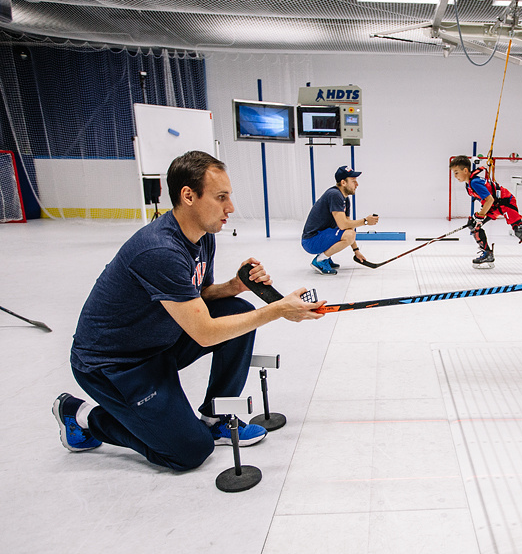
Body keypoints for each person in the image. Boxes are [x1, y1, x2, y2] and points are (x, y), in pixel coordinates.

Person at [53, 150, 325, 471]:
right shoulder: (160, 250)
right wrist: (278, 309)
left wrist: (233, 287)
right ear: (189, 196)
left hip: (159, 342)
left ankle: (215, 417)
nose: (231, 207)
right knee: (190, 452)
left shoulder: (201, 236)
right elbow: (204, 333)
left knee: (235, 309)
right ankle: (81, 416)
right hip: (115, 364)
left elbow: (200, 294)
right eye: (221, 197)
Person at [449, 155, 522, 276]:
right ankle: (487, 254)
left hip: (505, 203)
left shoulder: (474, 183)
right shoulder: (468, 186)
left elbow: (489, 200)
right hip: (494, 205)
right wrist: (478, 218)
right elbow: (488, 201)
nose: (455, 176)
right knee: (474, 226)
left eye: (456, 172)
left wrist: (480, 216)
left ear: (465, 170)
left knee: (519, 230)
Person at [302, 165, 379, 274]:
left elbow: (349, 226)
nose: (357, 184)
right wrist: (365, 221)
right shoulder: (334, 195)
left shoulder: (345, 199)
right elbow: (343, 225)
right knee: (349, 234)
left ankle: (325, 257)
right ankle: (320, 260)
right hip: (311, 241)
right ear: (343, 183)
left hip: (320, 236)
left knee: (350, 232)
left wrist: (356, 251)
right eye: (353, 181)